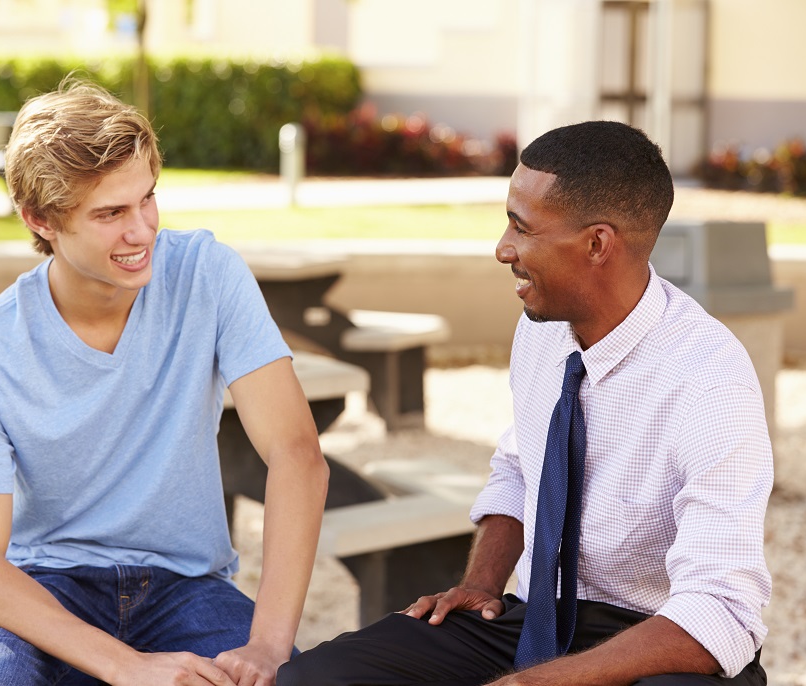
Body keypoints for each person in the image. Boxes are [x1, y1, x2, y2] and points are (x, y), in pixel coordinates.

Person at [277, 121, 772, 686]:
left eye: (521, 227)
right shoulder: (542, 328)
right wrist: (483, 585)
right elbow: (520, 467)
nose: (502, 249)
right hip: (536, 618)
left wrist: (536, 682)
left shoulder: (710, 379)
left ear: (597, 244)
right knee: (316, 679)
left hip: (658, 640)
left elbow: (722, 611)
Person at [0, 79, 329, 686]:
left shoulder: (207, 274)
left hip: (188, 586)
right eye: (110, 213)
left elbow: (297, 456)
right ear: (40, 218)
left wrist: (270, 645)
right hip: (45, 584)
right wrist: (127, 667)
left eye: (147, 199)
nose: (142, 230)